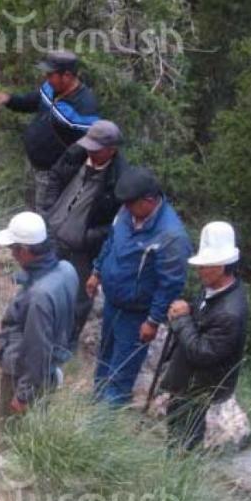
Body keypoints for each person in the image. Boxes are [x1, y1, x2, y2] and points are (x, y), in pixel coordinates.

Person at [86, 167, 192, 405]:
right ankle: (95, 401)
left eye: (130, 203)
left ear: (149, 200)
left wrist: (153, 321)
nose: (125, 207)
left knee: (122, 371)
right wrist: (97, 271)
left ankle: (105, 419)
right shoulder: (125, 213)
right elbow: (111, 242)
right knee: (104, 357)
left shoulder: (171, 236)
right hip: (113, 302)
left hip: (136, 314)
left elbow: (171, 284)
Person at [160, 222, 249, 450]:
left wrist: (182, 319)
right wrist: (187, 311)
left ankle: (180, 468)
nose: (199, 270)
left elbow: (203, 353)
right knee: (176, 430)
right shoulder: (215, 290)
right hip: (188, 381)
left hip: (200, 388)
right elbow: (203, 319)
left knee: (186, 440)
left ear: (221, 266)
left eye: (205, 265)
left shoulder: (230, 312)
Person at [41, 120, 129, 347]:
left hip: (84, 252)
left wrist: (88, 237)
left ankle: (64, 348)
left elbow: (118, 225)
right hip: (53, 237)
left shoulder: (120, 179)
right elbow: (55, 176)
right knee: (42, 285)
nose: (90, 151)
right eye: (89, 145)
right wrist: (49, 207)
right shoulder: (75, 154)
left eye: (96, 148)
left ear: (112, 150)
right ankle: (38, 334)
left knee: (78, 301)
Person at [0, 212, 77, 422]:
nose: (12, 255)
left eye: (14, 249)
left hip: (22, 372)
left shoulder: (39, 297)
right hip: (50, 368)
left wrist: (24, 394)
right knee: (38, 419)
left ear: (25, 250)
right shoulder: (67, 270)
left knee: (13, 428)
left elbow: (37, 347)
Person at [0, 50, 100, 209]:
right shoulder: (51, 87)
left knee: (43, 214)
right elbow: (32, 102)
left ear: (67, 76)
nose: (46, 78)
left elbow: (86, 149)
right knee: (28, 206)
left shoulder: (85, 107)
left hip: (50, 174)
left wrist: (61, 172)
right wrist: (9, 100)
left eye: (50, 74)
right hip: (32, 163)